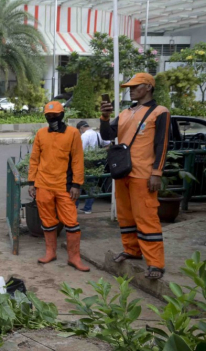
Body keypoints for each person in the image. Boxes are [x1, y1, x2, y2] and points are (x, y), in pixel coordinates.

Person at [100, 72, 170, 280]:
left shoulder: (160, 112)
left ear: (148, 87)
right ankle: (132, 250)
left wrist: (156, 172)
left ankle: (155, 263)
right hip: (123, 171)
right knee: (125, 215)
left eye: (135, 86)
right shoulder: (124, 113)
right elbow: (106, 135)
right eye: (129, 87)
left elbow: (162, 144)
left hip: (143, 173)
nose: (130, 90)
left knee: (146, 217)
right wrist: (104, 117)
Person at [28, 102, 90, 272]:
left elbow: (77, 160)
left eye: (55, 115)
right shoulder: (41, 134)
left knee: (72, 223)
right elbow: (34, 159)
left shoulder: (72, 133)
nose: (52, 118)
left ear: (62, 114)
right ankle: (50, 252)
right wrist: (32, 182)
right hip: (43, 184)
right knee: (47, 222)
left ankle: (74, 257)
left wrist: (76, 184)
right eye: (48, 115)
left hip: (65, 186)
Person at [75, 121, 110, 214]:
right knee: (92, 185)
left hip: (86, 163)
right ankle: (88, 208)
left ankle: (74, 207)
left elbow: (80, 151)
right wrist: (99, 152)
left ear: (81, 128)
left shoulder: (84, 136)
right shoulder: (99, 134)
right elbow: (108, 145)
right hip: (97, 163)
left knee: (79, 184)